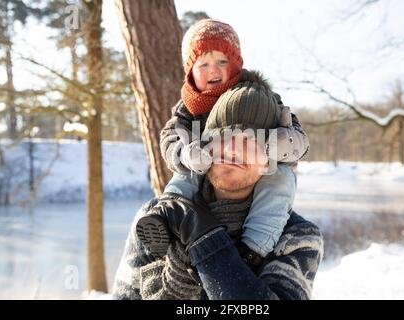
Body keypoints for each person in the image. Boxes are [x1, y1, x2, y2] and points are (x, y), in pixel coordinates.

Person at [113, 79, 323, 300]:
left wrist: (204, 239)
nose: (231, 149)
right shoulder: (157, 219)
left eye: (250, 140)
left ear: (270, 159)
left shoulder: (296, 237)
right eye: (222, 136)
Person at [144, 19, 310, 261]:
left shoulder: (258, 95)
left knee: (280, 182)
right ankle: (164, 218)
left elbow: (297, 135)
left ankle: (255, 246)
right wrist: (184, 153)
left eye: (222, 61)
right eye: (203, 64)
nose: (214, 70)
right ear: (189, 71)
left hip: (262, 164)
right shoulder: (188, 109)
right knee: (185, 178)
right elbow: (169, 137)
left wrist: (284, 144)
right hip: (204, 161)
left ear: (236, 64)